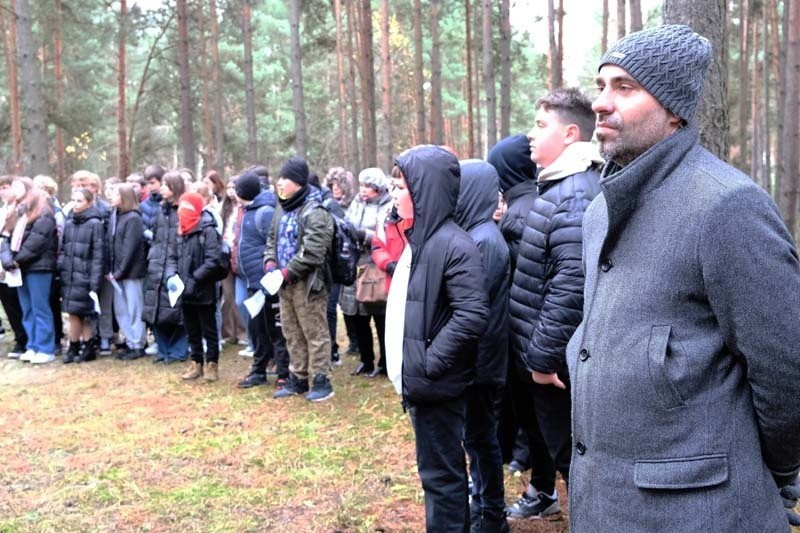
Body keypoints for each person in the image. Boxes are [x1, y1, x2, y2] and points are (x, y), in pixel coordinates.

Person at [566, 24, 800, 532]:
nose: (602, 102)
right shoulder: (599, 213)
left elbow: (785, 367)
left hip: (702, 514)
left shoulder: (726, 207)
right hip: (606, 507)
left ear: (673, 109)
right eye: (601, 85)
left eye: (625, 87)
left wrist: (776, 471)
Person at [506, 87, 602, 521]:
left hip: (558, 370)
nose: (531, 134)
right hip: (553, 363)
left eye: (540, 125)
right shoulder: (562, 187)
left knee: (576, 466)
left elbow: (570, 286)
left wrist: (542, 360)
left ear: (569, 133)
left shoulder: (574, 195)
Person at [384, 145, 488, 532]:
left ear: (425, 190)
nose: (395, 195)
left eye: (401, 186)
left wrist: (429, 362)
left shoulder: (453, 245)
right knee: (440, 475)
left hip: (437, 383)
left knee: (441, 478)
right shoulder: (423, 241)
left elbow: (472, 314)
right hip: (424, 382)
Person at [454, 159, 511, 532]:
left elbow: (471, 306)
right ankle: (484, 505)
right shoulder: (475, 233)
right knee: (475, 438)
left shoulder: (485, 241)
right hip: (477, 358)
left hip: (481, 361)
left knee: (481, 439)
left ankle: (492, 514)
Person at [487, 134, 542, 475]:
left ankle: (538, 476)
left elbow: (524, 284)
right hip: (526, 333)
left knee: (531, 411)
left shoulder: (520, 215)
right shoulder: (528, 205)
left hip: (524, 335)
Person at [265, 156, 335, 402]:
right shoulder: (281, 208)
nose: (280, 183)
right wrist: (271, 263)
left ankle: (321, 380)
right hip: (284, 284)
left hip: (308, 284)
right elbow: (271, 240)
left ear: (297, 182)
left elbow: (314, 252)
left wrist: (286, 272)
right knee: (291, 332)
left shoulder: (315, 211)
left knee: (315, 333)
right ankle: (298, 378)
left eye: (285, 179)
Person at [233, 172, 290, 390]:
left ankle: (283, 373)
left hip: (267, 284)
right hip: (251, 284)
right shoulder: (246, 211)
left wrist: (271, 274)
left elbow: (274, 244)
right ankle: (259, 370)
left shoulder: (265, 212)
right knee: (257, 330)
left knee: (276, 331)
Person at [0, 177, 58, 364]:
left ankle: (46, 347)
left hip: (38, 267)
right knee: (27, 309)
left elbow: (37, 241)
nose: (14, 191)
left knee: (40, 307)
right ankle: (32, 345)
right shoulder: (17, 213)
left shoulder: (44, 211)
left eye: (18, 187)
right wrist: (8, 260)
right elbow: (5, 239)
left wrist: (16, 261)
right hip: (19, 268)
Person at [343, 168, 392, 378]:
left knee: (379, 315)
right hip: (356, 263)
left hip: (376, 265)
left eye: (367, 186)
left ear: (378, 187)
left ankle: (385, 362)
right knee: (357, 316)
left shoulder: (389, 205)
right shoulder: (356, 202)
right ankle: (366, 360)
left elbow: (387, 234)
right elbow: (348, 222)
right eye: (361, 185)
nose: (362, 190)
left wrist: (365, 235)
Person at [168, 192, 222, 382]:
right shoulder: (180, 231)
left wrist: (194, 280)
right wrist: (172, 276)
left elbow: (212, 260)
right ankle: (196, 361)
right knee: (191, 329)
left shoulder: (208, 230)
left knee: (208, 329)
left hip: (204, 289)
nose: (184, 211)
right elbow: (172, 257)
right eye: (181, 207)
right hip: (183, 290)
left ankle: (212, 363)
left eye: (188, 207)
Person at [143, 171, 187, 364]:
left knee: (176, 311)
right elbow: (156, 238)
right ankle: (163, 350)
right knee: (156, 310)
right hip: (157, 265)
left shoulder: (183, 210)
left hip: (176, 265)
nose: (162, 189)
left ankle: (177, 351)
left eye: (166, 186)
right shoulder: (160, 211)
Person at [58, 187, 105, 363]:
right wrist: (62, 266)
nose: (76, 205)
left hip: (85, 275)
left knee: (83, 313)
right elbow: (63, 249)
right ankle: (76, 345)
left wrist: (94, 281)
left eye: (80, 201)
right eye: (74, 200)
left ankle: (85, 345)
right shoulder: (70, 223)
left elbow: (99, 255)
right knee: (73, 313)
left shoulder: (95, 223)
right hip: (70, 275)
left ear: (89, 202)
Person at [323, 166, 360, 362]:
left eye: (339, 185)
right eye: (332, 185)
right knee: (334, 306)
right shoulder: (325, 204)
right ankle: (336, 346)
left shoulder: (352, 205)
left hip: (349, 259)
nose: (335, 189)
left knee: (350, 303)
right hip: (331, 261)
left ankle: (355, 341)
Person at [107, 183, 147, 360]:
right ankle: (130, 341)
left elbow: (130, 248)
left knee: (134, 308)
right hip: (116, 272)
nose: (111, 196)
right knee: (121, 309)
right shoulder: (115, 216)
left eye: (115, 193)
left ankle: (138, 343)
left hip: (131, 272)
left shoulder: (133, 218)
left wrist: (120, 270)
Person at [0, 176, 28, 357]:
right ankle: (19, 338)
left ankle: (25, 338)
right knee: (8, 305)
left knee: (19, 304)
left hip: (15, 264)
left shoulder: (22, 210)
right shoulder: (2, 211)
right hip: (2, 263)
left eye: (6, 187)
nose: (3, 191)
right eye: (1, 188)